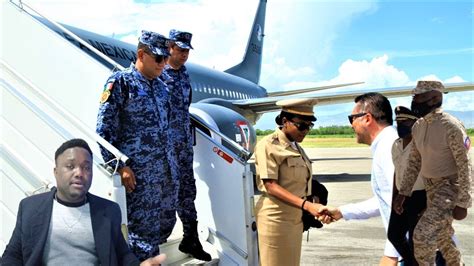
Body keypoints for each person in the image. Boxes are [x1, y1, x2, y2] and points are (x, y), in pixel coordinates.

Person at [1, 139, 166, 265]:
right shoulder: (30, 207)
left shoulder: (109, 210)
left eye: (86, 167)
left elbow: (123, 255)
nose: (79, 173)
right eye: (70, 166)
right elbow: (13, 255)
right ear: (56, 172)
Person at [96, 30, 172, 260]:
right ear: (141, 54)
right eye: (159, 59)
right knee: (141, 239)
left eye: (166, 59)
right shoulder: (120, 83)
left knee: (160, 231)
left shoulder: (161, 87)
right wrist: (119, 166)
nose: (164, 64)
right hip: (138, 178)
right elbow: (104, 131)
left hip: (163, 176)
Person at [393, 80, 472, 265]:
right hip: (431, 189)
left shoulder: (450, 125)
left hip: (449, 187)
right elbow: (414, 162)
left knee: (422, 235)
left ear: (435, 98)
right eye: (414, 97)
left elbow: (465, 164)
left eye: (418, 97)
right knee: (443, 238)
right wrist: (403, 193)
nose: (414, 101)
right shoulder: (419, 127)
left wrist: (464, 202)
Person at [318, 92, 400, 266]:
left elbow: (408, 201)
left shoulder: (390, 147)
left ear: (367, 118)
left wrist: (392, 253)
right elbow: (386, 200)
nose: (351, 125)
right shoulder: (389, 143)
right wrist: (342, 212)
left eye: (352, 118)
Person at [158, 29, 211, 261]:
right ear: (169, 47)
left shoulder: (184, 74)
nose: (184, 55)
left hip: (183, 145)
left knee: (188, 191)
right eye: (180, 50)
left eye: (187, 51)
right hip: (164, 147)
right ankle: (154, 242)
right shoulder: (158, 73)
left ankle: (191, 238)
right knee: (165, 192)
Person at [254, 98, 324, 266]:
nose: (306, 131)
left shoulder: (295, 146)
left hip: (295, 219)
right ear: (285, 121)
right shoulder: (268, 145)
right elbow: (271, 186)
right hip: (276, 220)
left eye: (309, 126)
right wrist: (306, 206)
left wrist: (313, 198)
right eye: (301, 125)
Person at [387, 106, 424, 266]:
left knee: (418, 240)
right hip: (401, 197)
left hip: (420, 196)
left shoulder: (422, 145)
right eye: (398, 122)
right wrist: (395, 197)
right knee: (394, 234)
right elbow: (397, 172)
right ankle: (412, 263)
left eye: (405, 121)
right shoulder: (396, 144)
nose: (401, 125)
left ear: (415, 123)